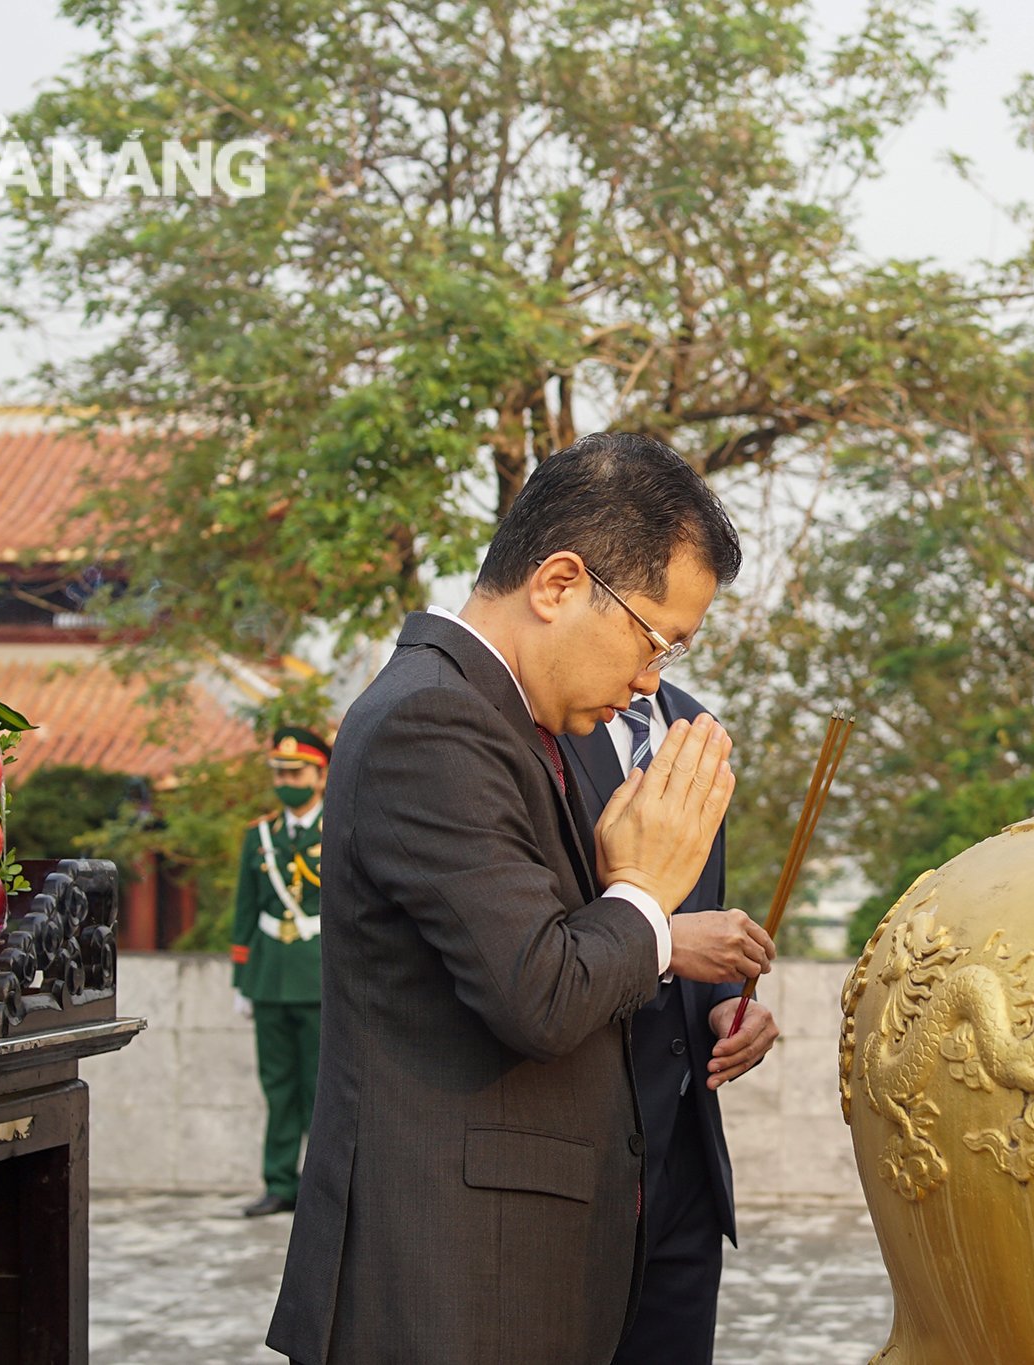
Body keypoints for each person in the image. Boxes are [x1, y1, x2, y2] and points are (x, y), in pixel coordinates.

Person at [267, 432, 778, 1365]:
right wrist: (646, 895)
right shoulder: (435, 718)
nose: (650, 680)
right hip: (451, 1276)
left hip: (534, 1256)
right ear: (558, 584)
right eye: (653, 637)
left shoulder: (506, 717)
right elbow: (538, 993)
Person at [563, 686, 780, 1365]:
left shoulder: (695, 724)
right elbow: (534, 941)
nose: (654, 669)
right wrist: (667, 944)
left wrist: (720, 997)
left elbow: (696, 912)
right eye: (658, 628)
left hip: (685, 1151)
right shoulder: (543, 715)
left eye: (681, 638)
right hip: (576, 1145)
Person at [229, 725, 331, 1219]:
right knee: (278, 1086)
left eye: (297, 772)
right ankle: (279, 1183)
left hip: (317, 975)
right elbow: (245, 910)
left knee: (320, 1088)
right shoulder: (260, 836)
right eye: (281, 773)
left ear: (320, 775)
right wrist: (241, 980)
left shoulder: (339, 829)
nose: (287, 780)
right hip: (270, 976)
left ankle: (324, 1186)